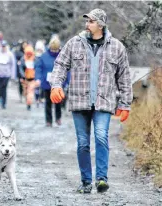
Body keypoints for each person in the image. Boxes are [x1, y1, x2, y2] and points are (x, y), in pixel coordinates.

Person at [50, 9, 133, 193]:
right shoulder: (74, 43)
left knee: (101, 136)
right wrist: (56, 85)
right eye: (87, 21)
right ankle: (86, 182)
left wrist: (125, 104)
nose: (87, 25)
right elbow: (60, 65)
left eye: (91, 22)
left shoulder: (117, 47)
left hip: (104, 101)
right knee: (82, 142)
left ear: (101, 25)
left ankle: (102, 179)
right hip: (79, 101)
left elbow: (124, 77)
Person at [35, 38, 68, 126]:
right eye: (52, 49)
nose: (54, 51)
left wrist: (68, 81)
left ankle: (58, 118)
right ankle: (48, 121)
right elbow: (38, 67)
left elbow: (67, 69)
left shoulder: (63, 56)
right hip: (47, 84)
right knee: (48, 102)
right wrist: (38, 79)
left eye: (55, 49)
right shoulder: (44, 56)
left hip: (59, 83)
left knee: (58, 102)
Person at [19, 45, 36, 111]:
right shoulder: (23, 59)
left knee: (30, 92)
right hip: (25, 79)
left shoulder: (35, 59)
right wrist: (22, 76)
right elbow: (20, 68)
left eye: (30, 53)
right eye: (27, 53)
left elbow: (37, 68)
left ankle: (29, 104)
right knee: (25, 92)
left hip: (32, 79)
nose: (29, 55)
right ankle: (27, 101)